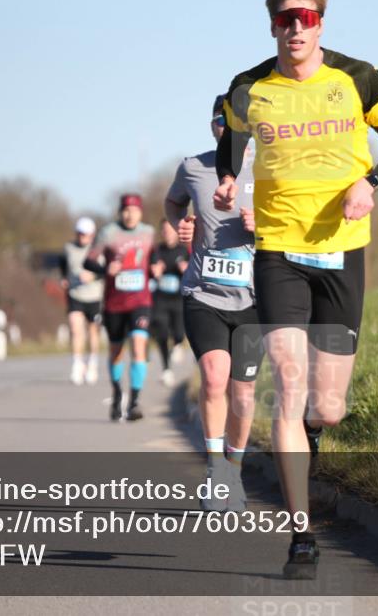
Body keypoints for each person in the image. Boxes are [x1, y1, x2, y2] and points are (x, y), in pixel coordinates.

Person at [213, 0, 378, 578]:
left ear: (321, 24)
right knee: (288, 377)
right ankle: (301, 537)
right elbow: (232, 143)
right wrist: (229, 180)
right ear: (271, 26)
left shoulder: (359, 78)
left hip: (343, 253)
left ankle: (310, 430)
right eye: (283, 20)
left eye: (304, 18)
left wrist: (369, 183)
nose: (294, 28)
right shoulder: (249, 88)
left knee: (327, 407)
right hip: (278, 250)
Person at [165, 93, 264, 513]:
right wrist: (180, 225)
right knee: (213, 376)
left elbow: (302, 218)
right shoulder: (193, 167)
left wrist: (264, 224)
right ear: (212, 127)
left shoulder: (269, 167)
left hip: (255, 298)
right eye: (220, 123)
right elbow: (172, 203)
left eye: (235, 124)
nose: (227, 130)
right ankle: (215, 471)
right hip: (203, 293)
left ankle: (234, 469)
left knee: (243, 396)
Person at [85, 194, 158, 421]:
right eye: (126, 210)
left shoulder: (148, 233)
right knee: (116, 351)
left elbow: (154, 257)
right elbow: (88, 261)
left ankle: (134, 402)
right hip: (115, 303)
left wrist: (156, 267)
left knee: (138, 346)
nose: (130, 214)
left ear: (141, 213)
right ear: (120, 212)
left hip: (140, 301)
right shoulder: (109, 233)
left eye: (134, 210)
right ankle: (117, 394)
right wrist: (105, 270)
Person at [60, 217, 104, 385]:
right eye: (79, 234)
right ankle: (77, 364)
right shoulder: (68, 248)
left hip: (94, 297)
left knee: (93, 332)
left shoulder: (98, 250)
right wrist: (63, 278)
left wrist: (93, 275)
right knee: (76, 329)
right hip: (75, 294)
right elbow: (63, 265)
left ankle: (92, 364)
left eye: (85, 234)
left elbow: (106, 271)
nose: (82, 237)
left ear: (92, 235)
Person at [150, 218, 189, 387]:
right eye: (164, 230)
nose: (167, 233)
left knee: (179, 333)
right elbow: (150, 271)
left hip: (178, 299)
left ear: (176, 232)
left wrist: (185, 271)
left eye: (170, 230)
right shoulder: (157, 251)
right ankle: (166, 370)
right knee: (162, 334)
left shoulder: (184, 250)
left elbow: (192, 272)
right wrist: (155, 272)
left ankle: (179, 343)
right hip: (161, 299)